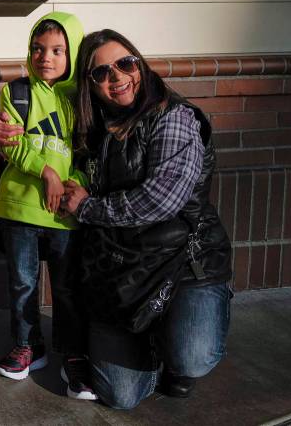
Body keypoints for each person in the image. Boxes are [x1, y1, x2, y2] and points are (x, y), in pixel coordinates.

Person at [56, 29, 233, 409]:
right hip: (118, 271)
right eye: (101, 72)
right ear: (90, 85)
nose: (116, 77)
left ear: (139, 63)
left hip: (183, 262)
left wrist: (87, 208)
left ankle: (179, 337)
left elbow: (161, 200)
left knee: (193, 356)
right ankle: (149, 339)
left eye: (124, 63)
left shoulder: (174, 117)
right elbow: (35, 110)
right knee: (121, 396)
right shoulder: (91, 123)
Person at [0, 12, 96, 401]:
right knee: (23, 284)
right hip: (19, 209)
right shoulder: (16, 93)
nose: (45, 57)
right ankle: (27, 346)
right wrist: (45, 170)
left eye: (57, 50)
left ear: (74, 53)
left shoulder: (84, 100)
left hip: (66, 213)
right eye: (37, 48)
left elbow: (90, 156)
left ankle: (74, 356)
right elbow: (11, 142)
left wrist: (74, 185)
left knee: (68, 288)